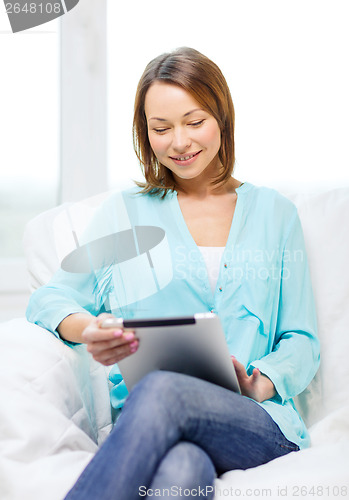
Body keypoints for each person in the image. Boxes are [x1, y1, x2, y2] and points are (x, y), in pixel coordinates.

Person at [26, 47, 320, 499]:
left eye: (195, 122)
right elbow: (49, 299)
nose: (179, 143)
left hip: (254, 423)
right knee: (181, 470)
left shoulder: (275, 214)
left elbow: (302, 340)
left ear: (222, 117)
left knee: (165, 390)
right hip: (157, 428)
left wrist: (258, 381)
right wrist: (91, 330)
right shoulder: (123, 215)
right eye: (160, 129)